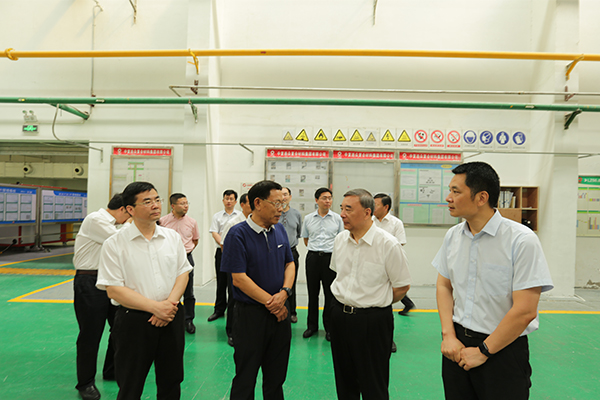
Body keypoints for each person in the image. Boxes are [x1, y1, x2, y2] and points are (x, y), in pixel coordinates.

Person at [433, 162, 554, 400]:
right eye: (450, 190)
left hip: (503, 351)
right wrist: (448, 335)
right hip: (456, 347)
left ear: (481, 197)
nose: (448, 198)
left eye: (456, 191)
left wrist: (484, 351)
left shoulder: (521, 240)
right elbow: (444, 285)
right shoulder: (453, 236)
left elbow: (525, 311)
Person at [97, 181, 192, 400]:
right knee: (131, 383)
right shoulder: (114, 243)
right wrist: (156, 308)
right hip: (134, 321)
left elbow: (183, 273)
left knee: (171, 381)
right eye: (147, 202)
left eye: (157, 199)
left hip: (171, 316)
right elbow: (114, 290)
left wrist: (168, 306)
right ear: (130, 209)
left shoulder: (172, 238)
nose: (155, 205)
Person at [329, 189, 411, 400]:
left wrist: (376, 301)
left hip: (372, 322)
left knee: (373, 383)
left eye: (349, 209)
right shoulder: (340, 240)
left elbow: (402, 286)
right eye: (341, 208)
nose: (342, 214)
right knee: (344, 381)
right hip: (339, 317)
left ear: (367, 212)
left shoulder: (388, 244)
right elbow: (339, 274)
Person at [221, 180, 295, 400]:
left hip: (280, 313)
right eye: (276, 204)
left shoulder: (279, 229)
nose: (281, 209)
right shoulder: (237, 234)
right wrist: (273, 303)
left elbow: (289, 263)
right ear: (258, 203)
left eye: (283, 204)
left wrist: (284, 293)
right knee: (246, 376)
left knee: (276, 377)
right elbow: (239, 279)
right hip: (250, 316)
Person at [73, 193, 130, 400]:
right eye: (130, 213)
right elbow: (120, 240)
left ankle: (111, 370)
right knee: (91, 334)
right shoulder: (95, 220)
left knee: (120, 328)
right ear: (123, 209)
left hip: (111, 281)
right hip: (90, 281)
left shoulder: (114, 224)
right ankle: (85, 383)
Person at [301, 187, 344, 340]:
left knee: (329, 294)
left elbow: (341, 239)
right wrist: (316, 250)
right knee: (312, 293)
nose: (328, 201)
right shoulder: (308, 218)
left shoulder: (338, 219)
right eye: (324, 198)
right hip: (313, 258)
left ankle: (329, 328)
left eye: (330, 198)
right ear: (316, 200)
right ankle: (311, 326)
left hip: (330, 258)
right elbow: (306, 239)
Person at [159, 193, 200, 334]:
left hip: (187, 258)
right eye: (182, 203)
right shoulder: (162, 221)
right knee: (168, 290)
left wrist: (186, 251)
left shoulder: (192, 222)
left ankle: (188, 320)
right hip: (168, 259)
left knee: (188, 291)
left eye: (187, 203)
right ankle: (171, 317)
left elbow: (195, 240)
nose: (186, 206)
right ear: (173, 205)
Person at [372, 193, 416, 316]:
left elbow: (401, 242)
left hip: (391, 259)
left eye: (376, 205)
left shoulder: (396, 223)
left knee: (393, 283)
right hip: (374, 259)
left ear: (386, 207)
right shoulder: (370, 221)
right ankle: (407, 303)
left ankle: (394, 305)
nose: (373, 207)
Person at [220, 192, 252, 346]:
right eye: (250, 203)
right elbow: (224, 245)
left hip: (251, 267)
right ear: (243, 205)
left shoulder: (255, 222)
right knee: (234, 299)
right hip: (236, 267)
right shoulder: (233, 223)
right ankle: (231, 332)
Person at [208, 189, 241, 322]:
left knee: (234, 283)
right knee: (221, 282)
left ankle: (234, 310)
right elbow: (214, 232)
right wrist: (224, 244)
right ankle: (219, 310)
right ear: (223, 200)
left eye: (231, 199)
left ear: (235, 201)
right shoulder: (217, 216)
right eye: (226, 199)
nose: (228, 201)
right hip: (221, 252)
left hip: (236, 254)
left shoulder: (240, 216)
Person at [280, 187, 302, 324]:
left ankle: (292, 312)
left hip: (292, 252)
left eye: (285, 194)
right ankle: (278, 308)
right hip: (275, 253)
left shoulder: (296, 214)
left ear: (290, 197)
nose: (283, 197)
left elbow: (298, 233)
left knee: (291, 283)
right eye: (281, 195)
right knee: (276, 282)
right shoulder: (274, 213)